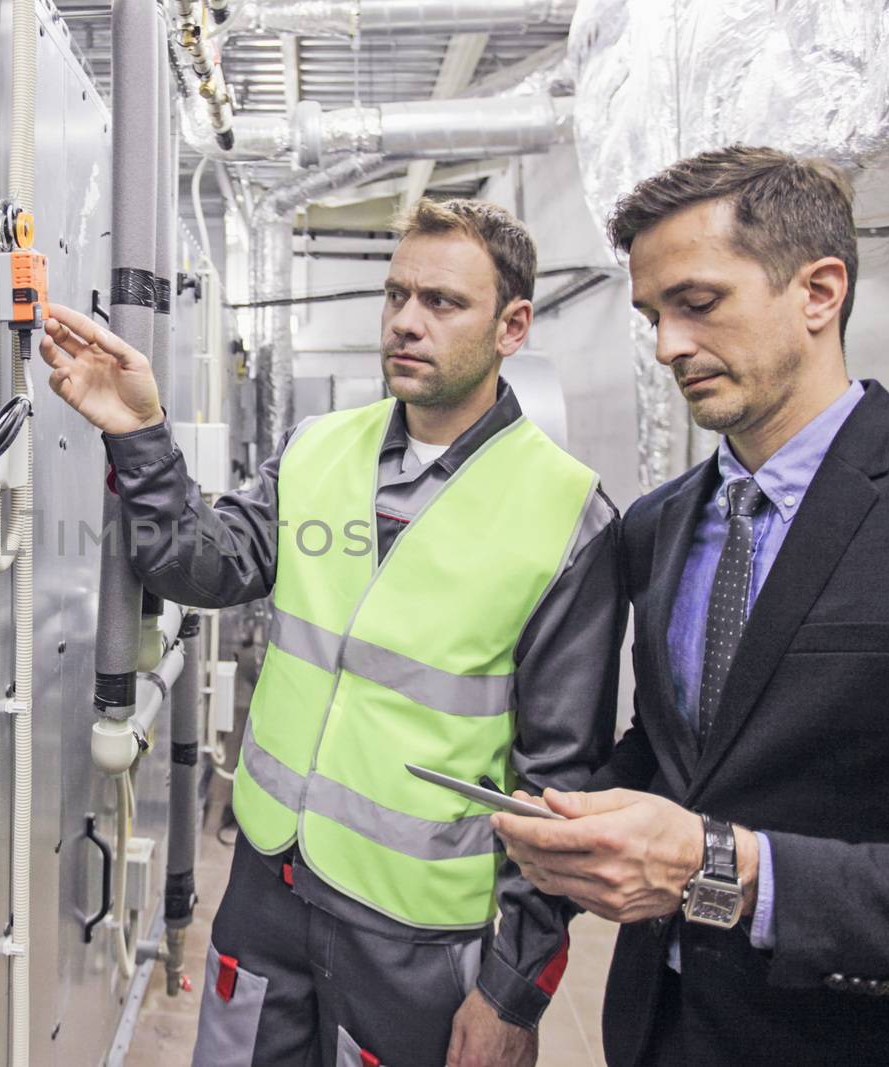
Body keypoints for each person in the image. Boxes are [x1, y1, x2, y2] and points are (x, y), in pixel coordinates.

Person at [39, 198, 624, 1067]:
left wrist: (511, 990)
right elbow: (201, 565)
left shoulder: (567, 512)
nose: (406, 322)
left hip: (413, 934)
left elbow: (557, 784)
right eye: (396, 296)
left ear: (514, 326)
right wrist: (141, 434)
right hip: (268, 888)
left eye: (442, 302)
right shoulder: (319, 448)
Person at [491, 146, 889, 1065]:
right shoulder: (656, 528)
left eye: (698, 304)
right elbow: (680, 755)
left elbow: (710, 837)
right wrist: (567, 819)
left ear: (818, 292)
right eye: (653, 315)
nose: (666, 347)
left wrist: (731, 871)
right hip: (664, 1026)